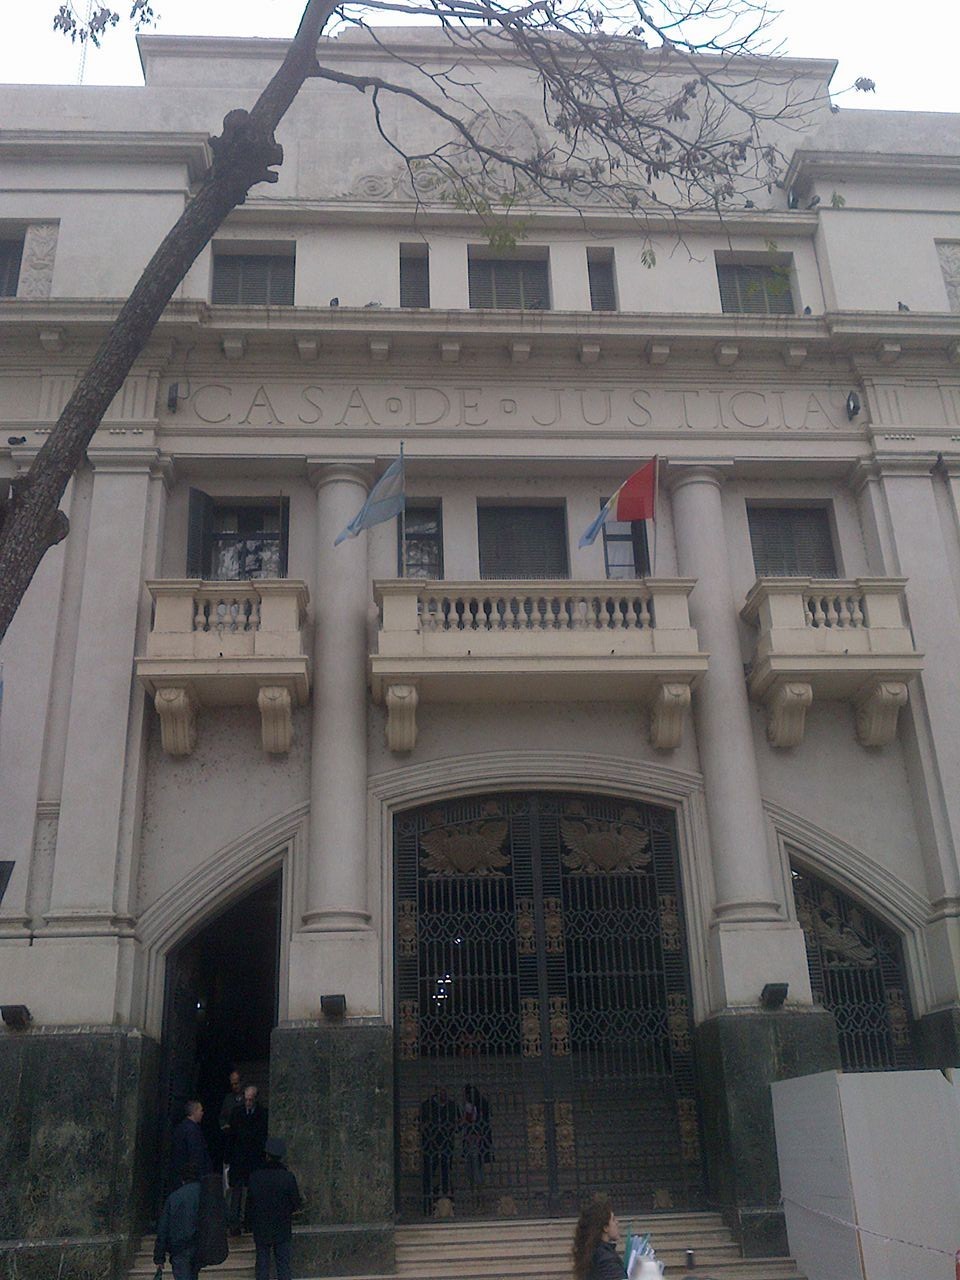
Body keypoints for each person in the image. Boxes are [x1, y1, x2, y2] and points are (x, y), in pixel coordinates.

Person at [247, 1136, 303, 1280]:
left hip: (261, 1226)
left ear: (266, 1155)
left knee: (262, 1265)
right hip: (282, 1226)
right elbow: (296, 1203)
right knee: (283, 1265)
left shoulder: (255, 1177)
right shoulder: (288, 1177)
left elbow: (250, 1204)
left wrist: (249, 1223)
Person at [228, 1084, 268, 1233]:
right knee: (236, 1192)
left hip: (254, 1159)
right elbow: (232, 1136)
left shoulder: (263, 1114)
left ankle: (249, 1222)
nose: (248, 1103)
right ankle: (234, 1223)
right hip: (238, 1159)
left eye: (251, 1100)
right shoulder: (237, 1113)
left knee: (252, 1192)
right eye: (246, 1099)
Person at [154, 1162, 202, 1280]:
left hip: (179, 1247)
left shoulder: (174, 1197)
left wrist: (159, 1257)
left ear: (182, 1179)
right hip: (199, 1245)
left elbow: (163, 1229)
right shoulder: (205, 1194)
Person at [420, 1085, 458, 1214]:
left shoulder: (452, 1105)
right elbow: (421, 1125)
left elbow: (457, 1123)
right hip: (431, 1145)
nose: (443, 1093)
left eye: (445, 1090)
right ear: (436, 1091)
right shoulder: (427, 1106)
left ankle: (448, 1205)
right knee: (429, 1174)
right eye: (441, 1090)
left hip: (447, 1144)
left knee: (446, 1173)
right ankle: (427, 1205)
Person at [572, 1197, 627, 1280]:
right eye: (613, 1219)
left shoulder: (592, 1251)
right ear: (605, 1228)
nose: (617, 1222)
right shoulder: (607, 1260)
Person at [170, 1100, 213, 1187]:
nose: (202, 1113)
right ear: (194, 1112)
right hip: (191, 1177)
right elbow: (196, 1154)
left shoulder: (181, 1127)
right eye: (200, 1110)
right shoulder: (192, 1131)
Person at [460, 1084, 493, 1195]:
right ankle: (476, 1190)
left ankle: (478, 1190)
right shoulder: (478, 1104)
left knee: (475, 1165)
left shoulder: (474, 1106)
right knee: (474, 1165)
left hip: (475, 1138)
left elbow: (472, 1121)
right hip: (475, 1138)